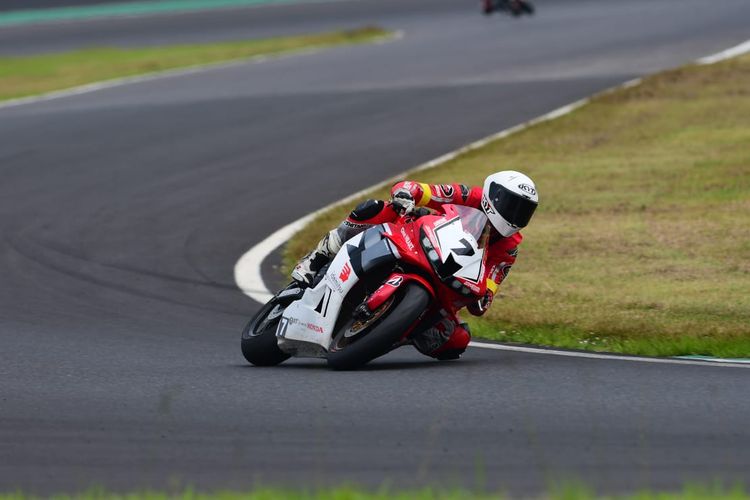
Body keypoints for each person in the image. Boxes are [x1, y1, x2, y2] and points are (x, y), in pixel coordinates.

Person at [292, 171, 539, 360]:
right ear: (493, 196)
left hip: (447, 284)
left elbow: (488, 290)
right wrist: (407, 194)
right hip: (419, 242)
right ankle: (319, 257)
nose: (516, 215)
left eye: (524, 211)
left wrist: (482, 295)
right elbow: (420, 189)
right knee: (376, 209)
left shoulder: (509, 247)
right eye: (512, 205)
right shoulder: (469, 196)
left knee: (456, 342)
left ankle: (397, 329)